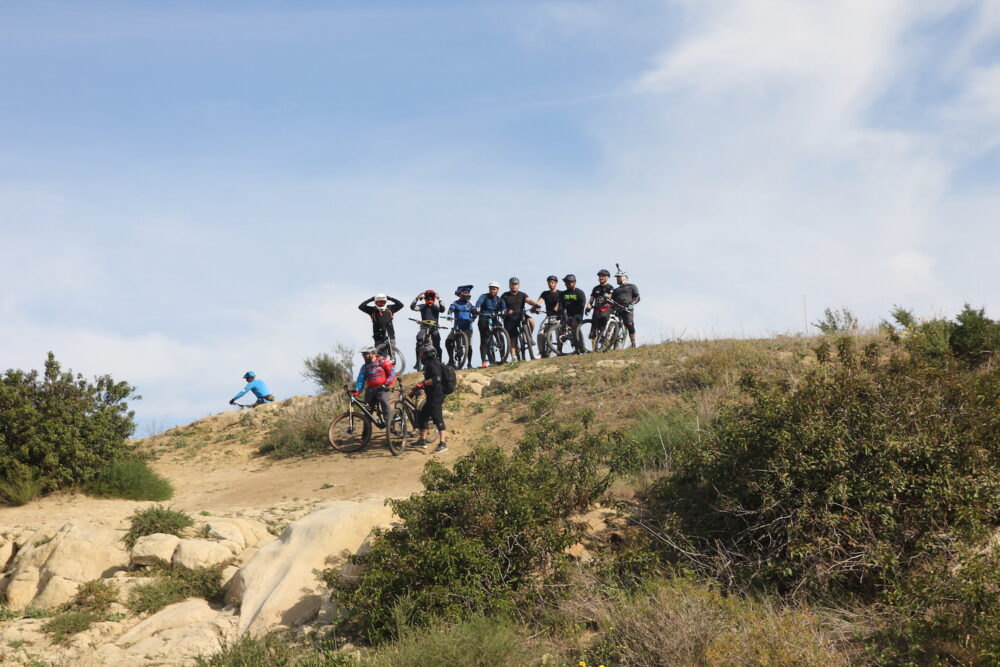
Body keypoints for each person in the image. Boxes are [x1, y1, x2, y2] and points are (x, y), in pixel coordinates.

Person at [408, 344, 448, 453]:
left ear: (428, 354)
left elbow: (437, 378)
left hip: (436, 396)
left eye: (422, 353)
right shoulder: (429, 364)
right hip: (431, 396)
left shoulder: (433, 363)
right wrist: (417, 388)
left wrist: (423, 383)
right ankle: (423, 440)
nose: (421, 355)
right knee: (422, 416)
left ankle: (443, 444)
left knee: (438, 418)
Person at [353, 346, 396, 429]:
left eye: (365, 354)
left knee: (384, 401)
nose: (363, 356)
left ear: (372, 354)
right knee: (367, 411)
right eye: (363, 354)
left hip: (383, 388)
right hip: (370, 390)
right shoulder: (364, 367)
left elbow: (392, 373)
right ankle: (366, 432)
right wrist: (357, 391)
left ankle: (390, 424)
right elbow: (360, 379)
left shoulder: (383, 361)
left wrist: (386, 383)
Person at [500, 277, 540, 360]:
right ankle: (513, 355)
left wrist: (536, 304)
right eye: (512, 284)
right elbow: (501, 306)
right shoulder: (505, 295)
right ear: (509, 285)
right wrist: (507, 311)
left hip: (521, 315)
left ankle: (529, 336)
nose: (514, 286)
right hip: (510, 317)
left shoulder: (522, 294)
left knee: (531, 321)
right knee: (512, 337)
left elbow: (528, 300)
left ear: (519, 285)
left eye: (516, 284)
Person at [474, 281, 506, 367]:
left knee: (501, 337)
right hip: (484, 318)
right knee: (484, 340)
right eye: (491, 289)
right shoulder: (484, 296)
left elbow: (504, 307)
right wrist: (477, 308)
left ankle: (503, 357)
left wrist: (504, 312)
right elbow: (479, 302)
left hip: (494, 318)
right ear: (489, 289)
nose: (493, 291)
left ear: (498, 290)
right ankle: (484, 361)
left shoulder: (499, 299)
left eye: (494, 289)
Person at [446, 285, 476, 368]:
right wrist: (449, 315)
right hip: (457, 327)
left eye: (468, 292)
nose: (468, 294)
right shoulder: (455, 303)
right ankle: (451, 360)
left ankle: (469, 363)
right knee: (448, 341)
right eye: (466, 292)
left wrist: (473, 317)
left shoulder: (469, 304)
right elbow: (451, 309)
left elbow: (475, 312)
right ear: (460, 294)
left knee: (469, 346)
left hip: (468, 327)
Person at [410, 289, 445, 362]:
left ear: (434, 299)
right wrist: (417, 298)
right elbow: (412, 307)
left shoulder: (436, 307)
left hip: (434, 328)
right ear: (425, 299)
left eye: (431, 299)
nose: (430, 300)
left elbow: (442, 309)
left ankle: (440, 362)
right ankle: (418, 362)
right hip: (424, 327)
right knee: (419, 340)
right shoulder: (422, 306)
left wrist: (439, 299)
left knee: (437, 345)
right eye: (428, 299)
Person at [612, 266, 641, 347]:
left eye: (619, 277)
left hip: (627, 309)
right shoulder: (615, 290)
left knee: (629, 324)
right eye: (617, 278)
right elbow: (612, 300)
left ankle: (633, 343)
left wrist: (631, 305)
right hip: (617, 309)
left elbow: (637, 297)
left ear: (624, 277)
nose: (617, 279)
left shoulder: (632, 286)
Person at [586, 268, 614, 351]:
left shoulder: (610, 287)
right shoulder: (596, 288)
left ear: (608, 277)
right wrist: (588, 307)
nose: (601, 277)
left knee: (604, 330)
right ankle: (594, 350)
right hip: (596, 311)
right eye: (600, 276)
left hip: (606, 310)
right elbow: (591, 300)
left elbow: (610, 298)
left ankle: (605, 347)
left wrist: (606, 296)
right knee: (593, 332)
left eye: (603, 276)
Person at [558, 274, 588, 353]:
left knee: (574, 324)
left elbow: (582, 304)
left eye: (569, 283)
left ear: (574, 283)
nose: (567, 285)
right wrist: (560, 312)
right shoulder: (563, 294)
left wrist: (576, 308)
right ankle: (559, 350)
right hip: (567, 314)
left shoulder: (579, 292)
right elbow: (560, 305)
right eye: (566, 283)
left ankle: (581, 347)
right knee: (560, 330)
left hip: (577, 314)